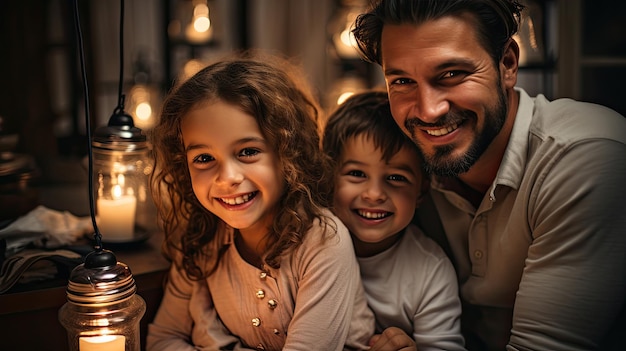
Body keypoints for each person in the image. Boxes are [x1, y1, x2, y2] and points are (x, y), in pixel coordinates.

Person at [352, 1, 626, 350]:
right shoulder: (400, 163)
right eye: (403, 81)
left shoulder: (586, 156)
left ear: (508, 63)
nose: (428, 110)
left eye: (451, 74)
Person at [146, 51, 375, 351]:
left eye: (248, 152)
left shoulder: (323, 241)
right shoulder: (203, 240)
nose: (227, 177)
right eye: (204, 158)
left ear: (288, 152)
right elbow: (162, 339)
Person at [323, 90, 465, 351]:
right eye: (356, 173)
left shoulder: (430, 271)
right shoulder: (308, 245)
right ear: (329, 178)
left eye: (396, 178)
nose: (374, 194)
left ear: (421, 191)